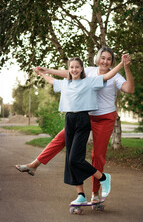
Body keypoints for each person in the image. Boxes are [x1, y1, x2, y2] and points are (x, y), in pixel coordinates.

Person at [16, 47, 134, 203]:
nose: (105, 61)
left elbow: (129, 89)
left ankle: (95, 193)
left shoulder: (115, 76)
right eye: (103, 58)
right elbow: (70, 73)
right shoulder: (89, 71)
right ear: (97, 59)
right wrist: (47, 71)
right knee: (60, 140)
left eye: (109, 59)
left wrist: (125, 66)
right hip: (85, 116)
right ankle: (34, 165)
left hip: (104, 118)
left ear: (112, 62)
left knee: (97, 155)